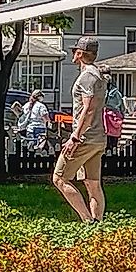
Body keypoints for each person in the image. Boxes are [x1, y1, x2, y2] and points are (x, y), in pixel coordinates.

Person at [53, 36, 107, 222]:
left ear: (79, 54)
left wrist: (75, 137)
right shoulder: (98, 74)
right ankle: (98, 225)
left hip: (84, 138)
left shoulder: (87, 77)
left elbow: (89, 108)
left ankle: (87, 221)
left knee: (59, 179)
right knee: (93, 184)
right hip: (99, 137)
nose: (72, 55)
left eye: (74, 51)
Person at [99, 64, 125, 150]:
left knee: (103, 148)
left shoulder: (100, 89)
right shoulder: (116, 92)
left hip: (103, 122)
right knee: (112, 146)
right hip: (113, 122)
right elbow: (122, 109)